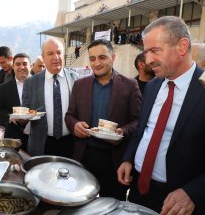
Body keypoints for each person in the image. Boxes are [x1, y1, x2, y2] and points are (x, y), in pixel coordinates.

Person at [117, 16, 205, 215]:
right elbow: (143, 130)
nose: (148, 61)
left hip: (179, 202)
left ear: (182, 46)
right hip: (140, 189)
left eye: (155, 51)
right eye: (146, 52)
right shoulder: (153, 86)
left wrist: (193, 192)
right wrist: (129, 159)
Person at [65, 39, 141, 198]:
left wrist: (123, 131)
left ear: (113, 58)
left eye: (102, 57)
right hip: (84, 156)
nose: (96, 63)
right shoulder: (80, 85)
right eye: (92, 59)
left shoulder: (130, 85)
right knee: (80, 202)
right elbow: (69, 115)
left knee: (111, 204)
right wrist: (75, 125)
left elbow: (138, 120)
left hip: (113, 159)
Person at [22, 37, 79, 157]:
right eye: (50, 53)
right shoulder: (30, 83)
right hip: (41, 145)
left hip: (71, 143)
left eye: (59, 52)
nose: (56, 57)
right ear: (43, 57)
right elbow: (25, 111)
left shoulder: (76, 79)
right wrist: (21, 118)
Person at [0, 53, 31, 151]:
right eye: (18, 64)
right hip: (13, 137)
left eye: (24, 64)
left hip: (36, 137)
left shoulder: (41, 85)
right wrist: (12, 117)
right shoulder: (4, 88)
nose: (21, 67)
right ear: (13, 67)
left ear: (30, 66)